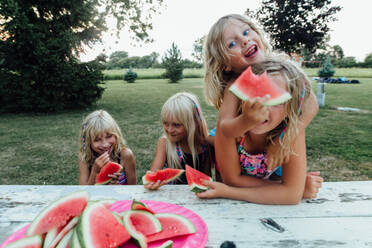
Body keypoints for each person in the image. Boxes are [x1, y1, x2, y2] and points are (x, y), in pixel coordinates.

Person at [200, 14, 322, 203]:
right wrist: (247, 120)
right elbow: (226, 128)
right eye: (232, 44)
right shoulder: (234, 87)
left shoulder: (287, 74)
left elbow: (311, 104)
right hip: (238, 149)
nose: (244, 40)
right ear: (225, 64)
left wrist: (286, 136)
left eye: (246, 32)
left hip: (273, 144)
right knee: (215, 138)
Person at [144, 92, 214, 190]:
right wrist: (152, 182)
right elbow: (153, 174)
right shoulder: (164, 143)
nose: (169, 130)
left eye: (176, 125)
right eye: (165, 123)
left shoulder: (205, 146)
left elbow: (206, 180)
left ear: (193, 123)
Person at [78, 110, 136, 185]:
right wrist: (95, 172)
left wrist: (117, 187)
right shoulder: (84, 158)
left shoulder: (125, 155)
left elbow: (133, 189)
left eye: (109, 136)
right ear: (87, 141)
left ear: (116, 134)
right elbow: (84, 191)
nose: (105, 144)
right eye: (97, 140)